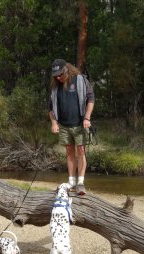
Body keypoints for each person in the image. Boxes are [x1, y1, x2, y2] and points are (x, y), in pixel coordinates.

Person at [48, 58, 95, 195]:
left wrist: (87, 117)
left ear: (66, 70)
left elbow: (91, 99)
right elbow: (50, 108)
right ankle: (71, 181)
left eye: (60, 74)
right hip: (63, 125)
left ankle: (80, 182)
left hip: (80, 123)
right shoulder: (55, 87)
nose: (58, 77)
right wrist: (54, 122)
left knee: (81, 151)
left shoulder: (80, 80)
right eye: (55, 75)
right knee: (69, 152)